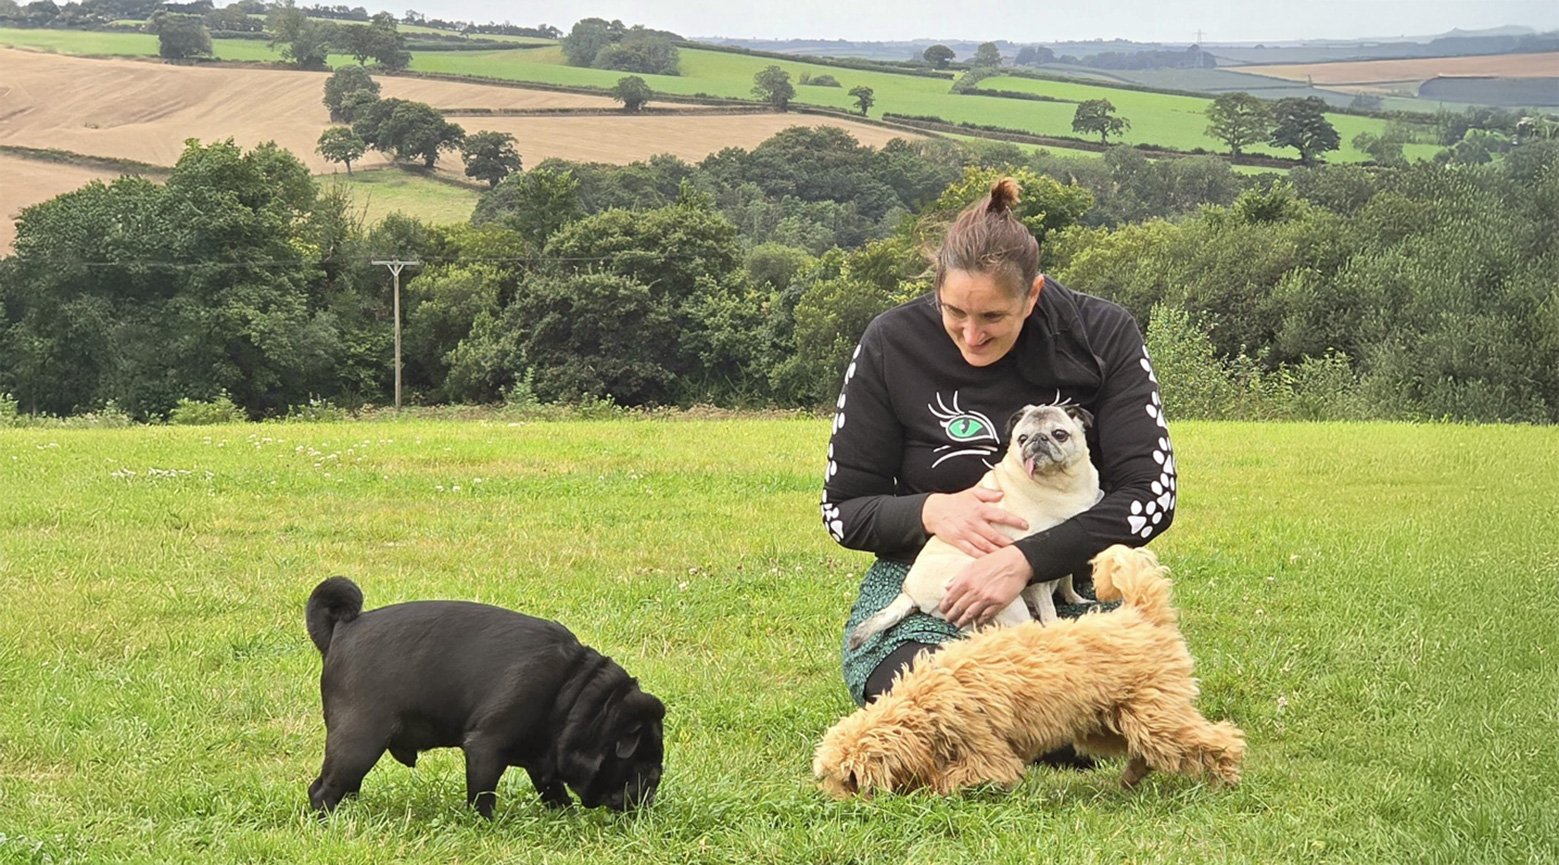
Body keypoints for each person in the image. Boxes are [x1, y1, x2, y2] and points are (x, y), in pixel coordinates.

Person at [821, 177, 1177, 711]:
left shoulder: (1103, 333)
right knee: (931, 702)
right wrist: (931, 510)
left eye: (992, 316)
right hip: (928, 575)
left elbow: (1152, 497)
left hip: (1071, 577)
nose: (971, 335)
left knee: (1088, 707)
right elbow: (843, 510)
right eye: (953, 312)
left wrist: (1024, 560)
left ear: (1033, 294)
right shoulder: (891, 342)